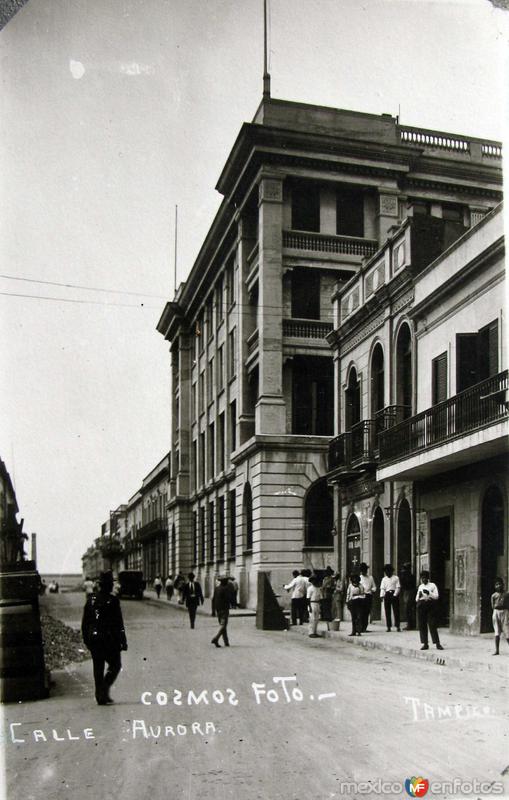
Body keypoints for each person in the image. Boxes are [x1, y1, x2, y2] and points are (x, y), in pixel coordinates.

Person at [81, 570, 127, 705]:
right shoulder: (113, 601)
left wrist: (86, 639)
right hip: (110, 640)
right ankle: (104, 690)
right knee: (115, 665)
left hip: (95, 640)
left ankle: (100, 694)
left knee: (98, 668)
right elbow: (119, 623)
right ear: (107, 585)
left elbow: (85, 623)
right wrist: (123, 641)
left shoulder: (91, 600)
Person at [416, 570, 443, 651]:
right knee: (422, 624)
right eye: (422, 578)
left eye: (425, 578)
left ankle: (437, 643)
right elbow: (416, 598)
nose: (424, 580)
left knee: (432, 624)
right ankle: (425, 643)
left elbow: (436, 596)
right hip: (422, 605)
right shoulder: (420, 586)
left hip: (430, 605)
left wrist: (429, 593)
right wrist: (419, 596)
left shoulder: (432, 585)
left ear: (428, 578)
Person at [491, 578, 509, 656]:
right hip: (496, 613)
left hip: (505, 612)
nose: (498, 586)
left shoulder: (507, 594)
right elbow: (492, 606)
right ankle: (497, 650)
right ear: (495, 586)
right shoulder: (493, 595)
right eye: (496, 584)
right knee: (497, 632)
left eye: (500, 584)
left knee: (507, 631)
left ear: (503, 585)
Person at [380, 564, 401, 632]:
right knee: (387, 611)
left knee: (396, 611)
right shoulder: (384, 579)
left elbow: (398, 587)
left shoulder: (396, 578)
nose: (387, 573)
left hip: (394, 594)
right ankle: (388, 626)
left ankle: (397, 626)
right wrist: (381, 595)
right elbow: (382, 588)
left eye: (389, 571)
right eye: (386, 571)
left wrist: (395, 595)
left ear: (391, 571)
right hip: (387, 594)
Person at [211, 577, 231, 648]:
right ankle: (216, 638)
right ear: (225, 582)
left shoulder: (216, 588)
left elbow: (213, 599)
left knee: (223, 625)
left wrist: (213, 610)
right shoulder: (226, 589)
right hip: (224, 609)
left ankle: (226, 642)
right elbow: (228, 599)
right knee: (224, 625)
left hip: (218, 610)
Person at [359, 563, 376, 632]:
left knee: (367, 612)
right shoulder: (359, 578)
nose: (364, 571)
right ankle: (360, 627)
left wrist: (372, 590)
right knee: (361, 612)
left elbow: (374, 586)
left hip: (368, 596)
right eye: (362, 570)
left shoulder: (370, 578)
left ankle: (365, 628)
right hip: (361, 596)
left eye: (365, 570)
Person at [399, 562, 416, 630]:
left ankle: (410, 624)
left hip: (409, 592)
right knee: (408, 609)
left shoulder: (407, 576)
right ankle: (410, 624)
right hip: (408, 592)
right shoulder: (410, 576)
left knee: (408, 609)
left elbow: (404, 584)